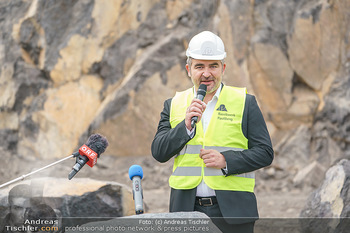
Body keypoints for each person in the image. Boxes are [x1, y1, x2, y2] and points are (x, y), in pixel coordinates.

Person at [151, 31, 274, 233]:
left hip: (234, 213)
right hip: (185, 210)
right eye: (199, 66)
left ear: (223, 68)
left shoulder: (245, 102)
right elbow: (159, 152)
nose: (206, 73)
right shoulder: (173, 104)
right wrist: (186, 127)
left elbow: (265, 152)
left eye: (213, 66)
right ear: (188, 69)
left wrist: (227, 161)